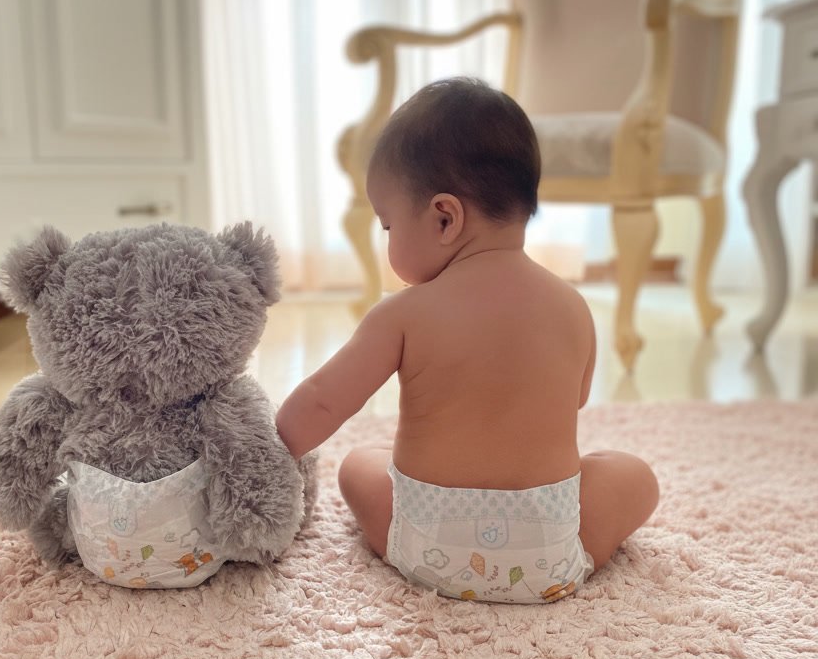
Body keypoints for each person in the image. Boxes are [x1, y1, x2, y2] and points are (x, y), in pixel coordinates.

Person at [276, 77, 658, 603]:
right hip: (547, 559)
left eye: (388, 226)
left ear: (444, 217)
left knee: (360, 464)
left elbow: (321, 402)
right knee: (631, 474)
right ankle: (560, 554)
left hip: (426, 551)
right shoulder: (572, 305)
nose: (386, 238)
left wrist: (265, 453)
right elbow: (577, 399)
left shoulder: (404, 313)